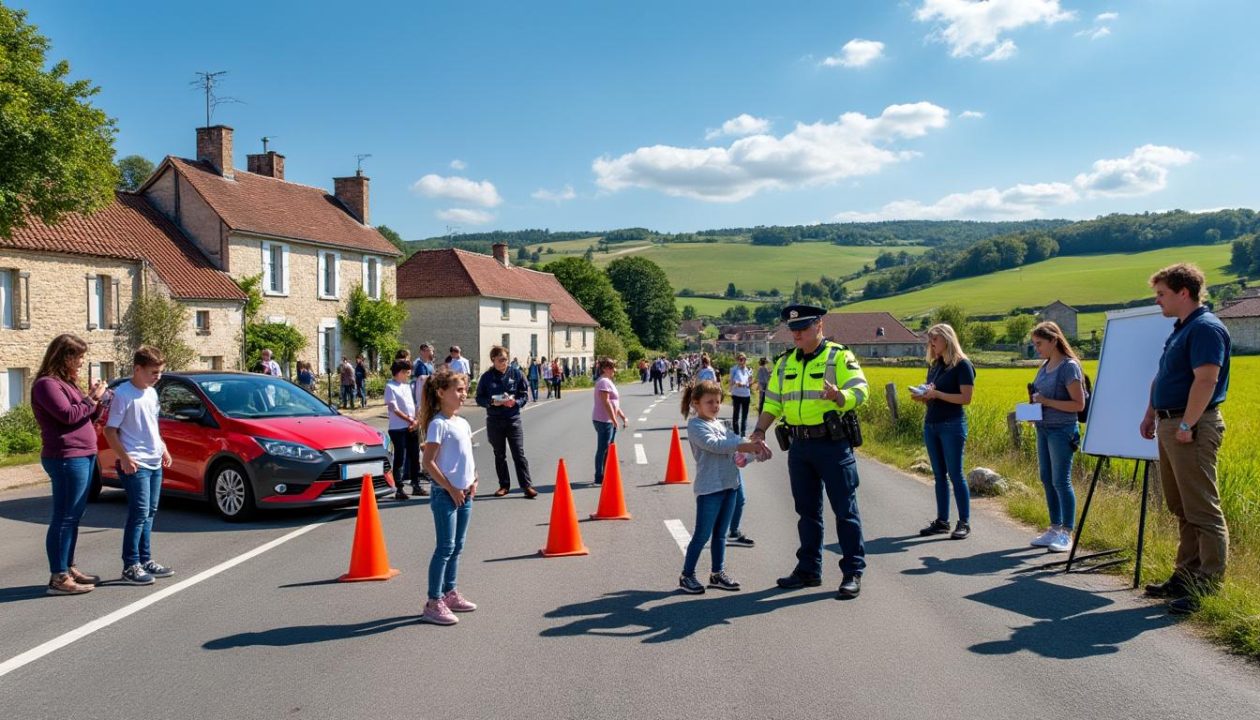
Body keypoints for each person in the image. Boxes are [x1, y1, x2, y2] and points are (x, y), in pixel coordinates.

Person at [749, 304, 869, 599]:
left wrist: (841, 396)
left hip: (832, 444)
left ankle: (852, 571)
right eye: (793, 330)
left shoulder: (839, 356)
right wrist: (760, 430)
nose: (796, 335)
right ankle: (809, 570)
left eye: (802, 329)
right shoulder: (785, 362)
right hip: (799, 446)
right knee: (807, 512)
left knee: (845, 510)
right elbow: (773, 402)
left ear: (819, 326)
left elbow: (861, 390)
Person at [1140, 263, 1231, 615]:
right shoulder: (1181, 329)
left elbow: (1206, 380)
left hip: (1190, 425)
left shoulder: (1206, 328)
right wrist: (1150, 413)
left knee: (1202, 508)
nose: (1158, 300)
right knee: (1181, 507)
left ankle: (1207, 584)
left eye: (1162, 294)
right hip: (1170, 422)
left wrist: (1186, 424)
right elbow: (1163, 376)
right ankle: (1186, 574)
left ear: (1183, 292)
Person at [676, 379, 770, 594]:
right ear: (696, 403)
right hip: (710, 489)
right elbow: (715, 445)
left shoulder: (720, 423)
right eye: (710, 402)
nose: (715, 406)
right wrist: (743, 444)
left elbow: (738, 445)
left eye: (718, 401)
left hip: (730, 485)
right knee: (702, 534)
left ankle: (717, 573)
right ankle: (687, 575)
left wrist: (755, 450)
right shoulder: (696, 426)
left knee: (720, 534)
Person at [32, 334, 107, 595]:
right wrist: (90, 399)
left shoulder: (68, 384)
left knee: (74, 516)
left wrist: (98, 400)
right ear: (64, 356)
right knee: (64, 517)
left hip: (83, 454)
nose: (80, 362)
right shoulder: (46, 385)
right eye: (78, 357)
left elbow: (86, 417)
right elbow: (67, 416)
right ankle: (58, 577)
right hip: (65, 456)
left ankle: (68, 566)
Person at [103, 346, 174, 586]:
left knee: (151, 512)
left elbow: (152, 426)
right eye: (154, 372)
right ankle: (130, 564)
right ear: (137, 369)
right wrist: (124, 457)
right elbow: (109, 431)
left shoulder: (152, 393)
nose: (158, 377)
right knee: (139, 512)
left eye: (160, 372)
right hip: (135, 463)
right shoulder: (123, 394)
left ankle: (146, 559)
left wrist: (163, 447)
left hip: (154, 460)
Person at [419, 368, 479, 625]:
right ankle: (434, 602)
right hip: (446, 495)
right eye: (458, 390)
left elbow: (465, 456)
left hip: (464, 493)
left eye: (465, 389)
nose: (463, 394)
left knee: (458, 546)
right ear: (441, 393)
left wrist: (473, 477)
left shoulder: (462, 423)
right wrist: (450, 488)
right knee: (445, 547)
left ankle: (450, 592)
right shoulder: (438, 424)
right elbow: (428, 462)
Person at [1027, 321, 1087, 554]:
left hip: (1062, 430)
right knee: (1046, 478)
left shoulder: (1069, 367)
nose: (1037, 348)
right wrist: (1033, 411)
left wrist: (1047, 402)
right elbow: (1038, 397)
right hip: (1043, 428)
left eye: (1039, 343)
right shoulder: (1045, 366)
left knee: (1061, 481)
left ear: (1054, 340)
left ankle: (1066, 532)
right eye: (1034, 344)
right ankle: (1053, 527)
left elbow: (1078, 404)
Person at [913, 324, 976, 540]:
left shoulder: (963, 365)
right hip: (932, 423)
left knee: (956, 474)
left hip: (952, 424)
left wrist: (937, 395)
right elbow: (933, 393)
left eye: (935, 340)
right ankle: (942, 521)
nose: (931, 344)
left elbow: (965, 399)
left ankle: (964, 522)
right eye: (930, 340)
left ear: (948, 340)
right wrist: (924, 396)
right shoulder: (935, 365)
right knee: (939, 475)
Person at [475, 346, 537, 499]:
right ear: (493, 360)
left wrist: (515, 402)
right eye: (500, 360)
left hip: (512, 419)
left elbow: (524, 394)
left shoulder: (516, 373)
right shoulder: (487, 377)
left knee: (518, 453)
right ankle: (504, 485)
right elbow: (479, 398)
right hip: (495, 420)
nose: (504, 362)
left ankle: (526, 485)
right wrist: (491, 402)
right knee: (499, 454)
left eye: (505, 359)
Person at [386, 360, 426, 500]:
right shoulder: (390, 387)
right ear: (399, 372)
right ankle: (399, 488)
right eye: (406, 372)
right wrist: (410, 420)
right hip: (398, 427)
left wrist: (416, 420)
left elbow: (413, 405)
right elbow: (394, 408)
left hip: (412, 426)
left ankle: (416, 485)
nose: (408, 375)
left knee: (414, 456)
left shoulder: (407, 386)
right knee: (400, 458)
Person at [592, 357, 629, 485]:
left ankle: (606, 473)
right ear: (604, 369)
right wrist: (613, 419)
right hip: (604, 420)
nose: (614, 370)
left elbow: (614, 403)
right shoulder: (603, 382)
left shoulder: (608, 381)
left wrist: (622, 416)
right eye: (612, 367)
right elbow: (606, 401)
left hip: (608, 420)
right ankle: (599, 476)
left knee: (608, 448)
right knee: (603, 448)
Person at [729, 353, 753, 436]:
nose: (742, 361)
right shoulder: (734, 369)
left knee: (744, 416)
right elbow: (731, 381)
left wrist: (750, 382)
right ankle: (736, 433)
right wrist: (736, 383)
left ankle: (743, 433)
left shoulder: (748, 369)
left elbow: (750, 382)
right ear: (737, 360)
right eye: (740, 359)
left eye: (744, 359)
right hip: (736, 394)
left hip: (746, 394)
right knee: (736, 414)